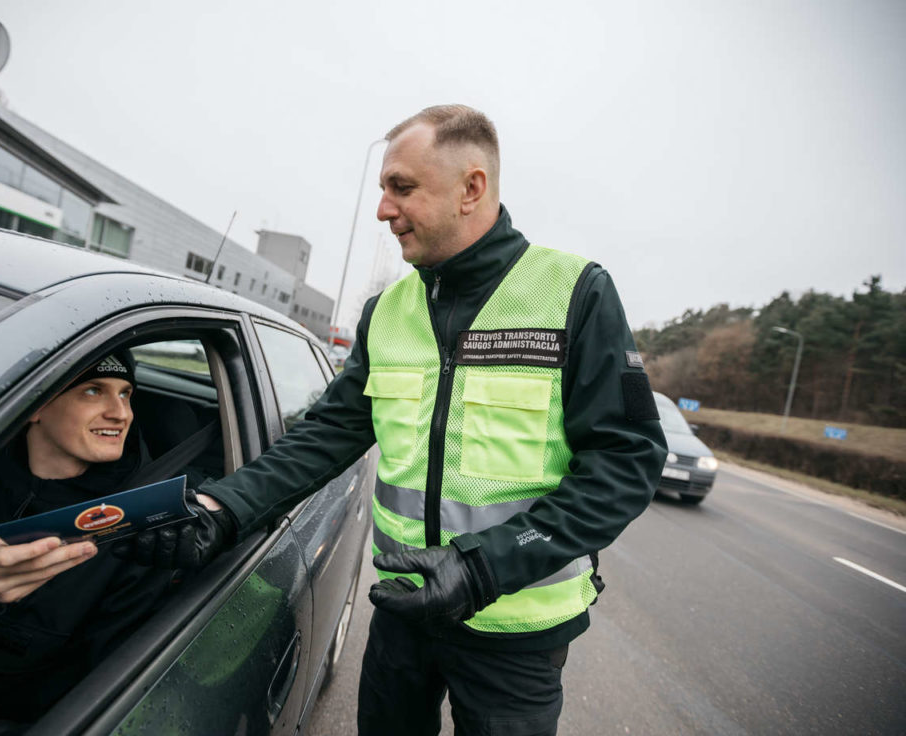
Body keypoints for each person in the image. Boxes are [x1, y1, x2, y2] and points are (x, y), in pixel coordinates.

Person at [194, 104, 666, 735]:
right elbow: (326, 435)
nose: (384, 210)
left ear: (471, 188)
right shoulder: (386, 311)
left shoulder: (575, 293)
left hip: (517, 633)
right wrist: (224, 507)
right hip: (404, 613)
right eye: (383, 190)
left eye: (402, 188)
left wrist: (485, 566)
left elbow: (627, 462)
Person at [0, 350, 226, 730]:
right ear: (34, 408)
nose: (121, 413)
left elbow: (96, 694)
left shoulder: (141, 523)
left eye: (125, 393)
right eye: (94, 391)